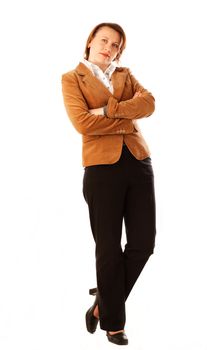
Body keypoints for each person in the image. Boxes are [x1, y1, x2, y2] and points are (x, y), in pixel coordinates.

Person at [61, 22, 156, 346]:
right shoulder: (72, 79)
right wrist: (124, 118)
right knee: (109, 248)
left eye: (115, 45)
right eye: (104, 40)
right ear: (90, 41)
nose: (109, 47)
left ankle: (103, 301)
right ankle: (114, 323)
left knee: (144, 243)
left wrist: (107, 109)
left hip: (139, 161)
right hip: (102, 169)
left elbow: (150, 104)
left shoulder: (125, 75)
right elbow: (82, 122)